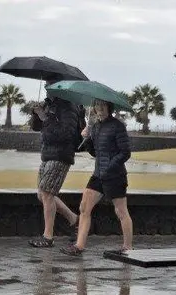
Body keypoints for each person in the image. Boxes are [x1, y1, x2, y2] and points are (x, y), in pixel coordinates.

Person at [61, 99, 133, 256]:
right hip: (98, 174)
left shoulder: (118, 126)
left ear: (109, 107)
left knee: (121, 211)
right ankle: (78, 246)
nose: (99, 108)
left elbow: (125, 153)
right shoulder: (96, 126)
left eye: (103, 105)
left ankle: (128, 247)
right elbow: (95, 152)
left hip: (115, 176)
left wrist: (110, 167)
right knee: (84, 208)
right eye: (97, 105)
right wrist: (86, 138)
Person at [27, 79, 86, 248]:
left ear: (59, 87)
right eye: (46, 85)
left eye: (50, 84)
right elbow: (37, 128)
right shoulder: (49, 103)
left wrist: (45, 118)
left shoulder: (69, 106)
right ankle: (74, 220)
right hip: (47, 154)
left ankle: (48, 237)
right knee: (42, 194)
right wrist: (36, 114)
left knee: (47, 193)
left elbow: (65, 134)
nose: (47, 87)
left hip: (61, 154)